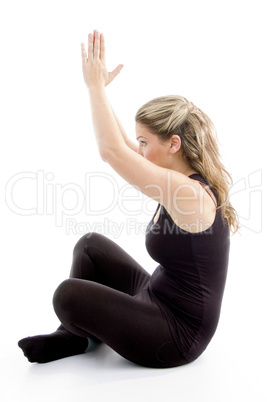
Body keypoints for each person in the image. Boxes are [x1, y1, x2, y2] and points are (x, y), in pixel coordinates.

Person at [18, 30, 239, 368]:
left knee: (67, 293)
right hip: (156, 295)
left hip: (176, 334)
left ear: (174, 144)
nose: (140, 151)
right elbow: (123, 147)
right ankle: (73, 335)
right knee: (90, 245)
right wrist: (102, 92)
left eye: (145, 142)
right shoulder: (181, 180)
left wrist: (93, 88)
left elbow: (112, 152)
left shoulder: (188, 194)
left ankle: (79, 331)